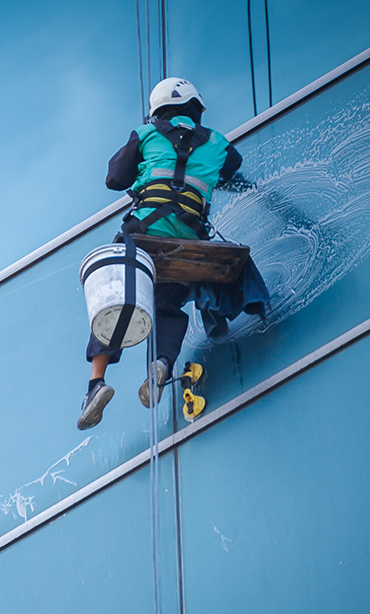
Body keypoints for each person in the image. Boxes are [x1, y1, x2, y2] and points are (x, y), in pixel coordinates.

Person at [78, 77, 269, 430]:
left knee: (115, 298)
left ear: (158, 111)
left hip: (145, 235)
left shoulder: (146, 134)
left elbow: (114, 178)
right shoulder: (217, 142)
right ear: (194, 108)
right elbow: (231, 168)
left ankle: (96, 383)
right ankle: (162, 364)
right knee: (166, 304)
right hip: (190, 245)